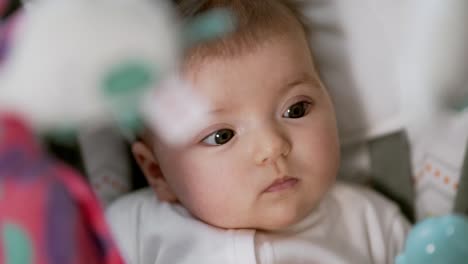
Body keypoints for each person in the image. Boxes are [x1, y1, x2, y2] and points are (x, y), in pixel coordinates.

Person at [106, 1, 410, 263]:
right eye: (221, 136)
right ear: (156, 171)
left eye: (296, 110)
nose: (272, 147)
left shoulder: (369, 222)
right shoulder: (132, 227)